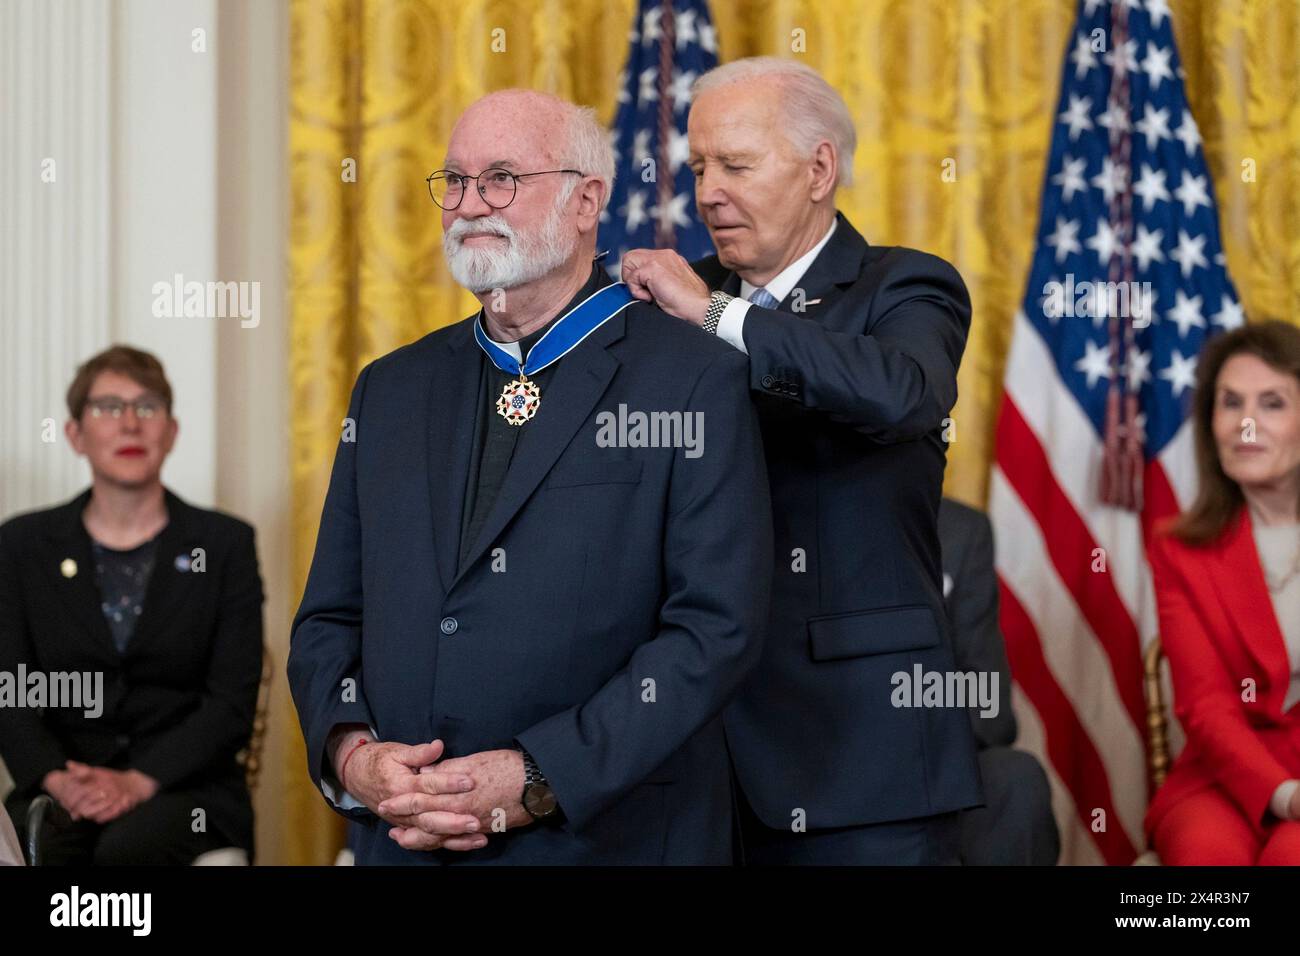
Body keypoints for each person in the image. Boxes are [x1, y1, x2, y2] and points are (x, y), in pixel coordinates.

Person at [287, 89, 773, 865]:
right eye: (454, 180)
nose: (470, 203)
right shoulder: (390, 388)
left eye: (503, 177)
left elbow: (716, 631)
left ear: (587, 201)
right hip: (405, 839)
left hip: (607, 839)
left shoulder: (692, 379)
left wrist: (541, 775)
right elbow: (327, 619)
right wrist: (354, 758)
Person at [621, 57, 982, 864]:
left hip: (861, 758)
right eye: (700, 165)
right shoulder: (670, 302)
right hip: (690, 757)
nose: (708, 190)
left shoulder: (906, 286)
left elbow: (903, 393)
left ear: (820, 169)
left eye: (737, 165)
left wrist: (714, 314)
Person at [0, 346, 264, 864]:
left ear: (171, 431)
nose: (129, 424)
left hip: (186, 791)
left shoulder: (224, 544)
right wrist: (58, 779)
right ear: (75, 434)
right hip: (59, 786)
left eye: (147, 407)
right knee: (42, 847)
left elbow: (231, 701)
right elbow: (9, 689)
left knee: (127, 853)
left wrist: (139, 781)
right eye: (107, 407)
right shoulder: (20, 546)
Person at [1146, 320, 1300, 865]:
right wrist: (1285, 794)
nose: (1246, 425)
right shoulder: (1177, 548)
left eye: (1273, 403)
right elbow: (1205, 704)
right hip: (1221, 780)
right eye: (1230, 402)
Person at [938, 497, 1059, 865]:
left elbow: (988, 713)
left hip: (930, 768)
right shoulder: (781, 516)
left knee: (1013, 780)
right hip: (820, 770)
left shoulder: (960, 530)